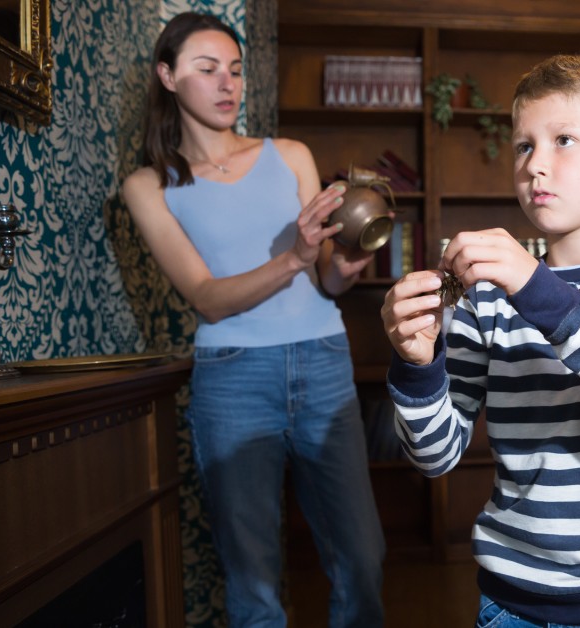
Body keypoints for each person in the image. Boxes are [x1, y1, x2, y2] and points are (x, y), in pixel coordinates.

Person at [380, 54, 580, 627]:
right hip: (517, 601)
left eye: (564, 140)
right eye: (524, 146)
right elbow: (435, 456)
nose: (536, 165)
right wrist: (417, 363)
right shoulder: (485, 296)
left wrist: (539, 290)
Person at [121, 12, 385, 627]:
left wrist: (346, 264)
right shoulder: (150, 184)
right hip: (233, 379)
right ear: (167, 76)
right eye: (207, 69)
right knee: (252, 576)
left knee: (363, 558)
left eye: (235, 71)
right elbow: (207, 297)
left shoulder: (290, 153)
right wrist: (295, 253)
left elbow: (325, 278)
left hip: (323, 363)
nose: (227, 84)